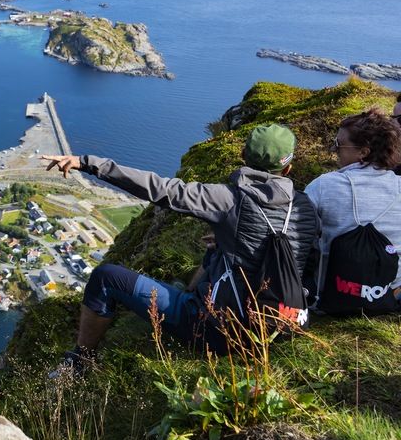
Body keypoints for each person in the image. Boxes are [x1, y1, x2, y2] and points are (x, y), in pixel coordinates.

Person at [40, 123, 319, 375]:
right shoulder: (306, 207)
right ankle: (190, 294)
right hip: (282, 327)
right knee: (218, 248)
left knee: (106, 278)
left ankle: (80, 361)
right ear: (287, 170)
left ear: (244, 157)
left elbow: (161, 189)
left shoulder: (230, 199)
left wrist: (86, 163)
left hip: (221, 333)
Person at [305, 109, 401, 313]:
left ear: (363, 152)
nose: (334, 148)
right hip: (391, 294)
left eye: (340, 144)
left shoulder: (323, 186)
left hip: (332, 296)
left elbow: (298, 234)